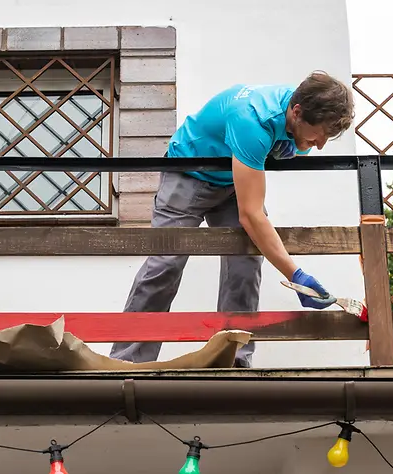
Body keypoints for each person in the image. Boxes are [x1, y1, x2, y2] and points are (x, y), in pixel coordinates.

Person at [109, 71, 355, 368]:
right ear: (297, 112)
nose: (320, 146)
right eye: (318, 135)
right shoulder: (253, 120)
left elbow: (257, 191)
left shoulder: (302, 101)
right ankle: (126, 362)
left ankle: (233, 359)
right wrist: (296, 275)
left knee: (246, 261)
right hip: (188, 174)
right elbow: (251, 215)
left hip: (231, 180)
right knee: (166, 263)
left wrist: (295, 143)